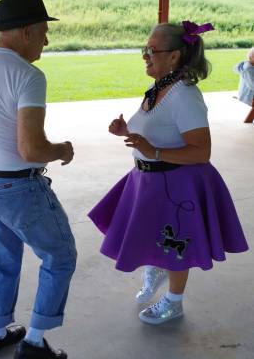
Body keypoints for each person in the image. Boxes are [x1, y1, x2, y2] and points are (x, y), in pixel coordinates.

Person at [88, 21, 248, 325]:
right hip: (148, 180)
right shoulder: (160, 87)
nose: (145, 55)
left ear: (174, 55)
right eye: (145, 49)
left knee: (177, 243)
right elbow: (157, 130)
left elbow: (201, 151)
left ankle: (174, 302)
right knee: (153, 234)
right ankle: (156, 268)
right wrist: (127, 130)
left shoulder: (185, 95)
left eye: (151, 50)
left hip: (177, 184)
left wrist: (154, 151)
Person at [0, 0, 77, 359]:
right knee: (60, 257)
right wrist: (62, 150)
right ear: (26, 31)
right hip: (18, 189)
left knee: (3, 261)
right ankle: (35, 341)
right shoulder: (28, 75)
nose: (47, 40)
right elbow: (31, 149)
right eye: (43, 31)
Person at [234, 47, 254, 123]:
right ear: (250, 58)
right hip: (249, 95)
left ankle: (249, 119)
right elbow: (252, 85)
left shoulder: (252, 65)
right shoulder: (248, 69)